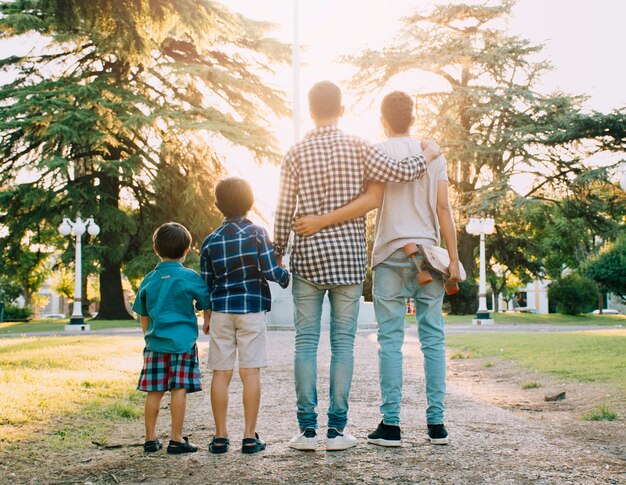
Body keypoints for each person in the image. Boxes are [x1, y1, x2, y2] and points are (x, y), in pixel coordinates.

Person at [273, 81, 441, 451]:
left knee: (305, 342)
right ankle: (336, 431)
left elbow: (284, 208)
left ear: (310, 110)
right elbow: (397, 172)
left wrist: (277, 251)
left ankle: (305, 431)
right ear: (342, 109)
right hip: (347, 258)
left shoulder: (295, 152)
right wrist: (426, 157)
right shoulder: (359, 145)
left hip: (308, 258)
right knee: (343, 344)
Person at [201, 177, 290, 454]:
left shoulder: (210, 241)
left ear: (217, 206)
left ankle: (219, 436)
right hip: (251, 309)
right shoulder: (258, 234)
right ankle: (250, 437)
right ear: (251, 204)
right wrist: (285, 275)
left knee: (221, 373)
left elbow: (206, 285)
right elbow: (271, 272)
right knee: (250, 373)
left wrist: (206, 317)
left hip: (221, 312)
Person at [133, 222, 211, 454]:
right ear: (187, 250)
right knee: (179, 389)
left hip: (156, 343)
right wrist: (207, 320)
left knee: (154, 391)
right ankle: (176, 439)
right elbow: (206, 300)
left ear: (156, 249)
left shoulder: (149, 279)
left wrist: (148, 337)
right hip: (183, 344)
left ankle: (150, 439)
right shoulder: (189, 277)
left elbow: (143, 313)